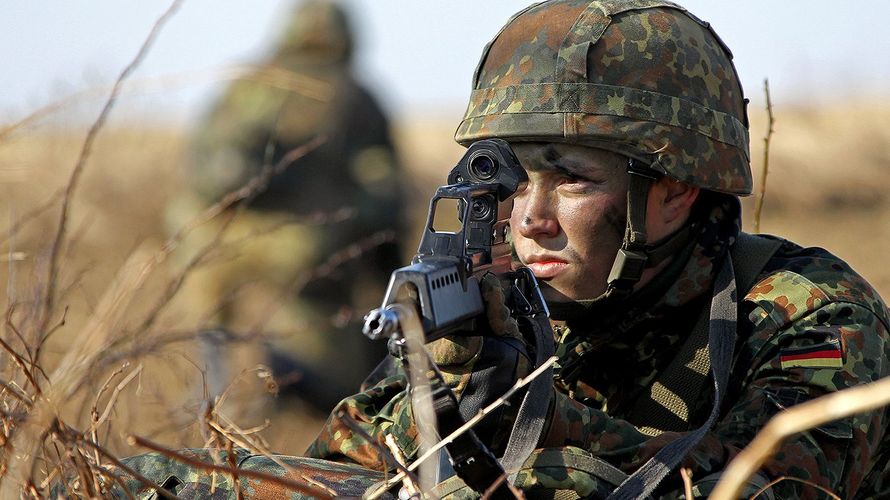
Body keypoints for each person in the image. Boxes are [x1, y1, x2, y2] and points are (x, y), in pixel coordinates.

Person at [305, 1, 890, 498]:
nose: (530, 219)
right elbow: (335, 468)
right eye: (513, 180)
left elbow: (768, 486)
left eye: (572, 180)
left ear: (678, 188)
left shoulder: (809, 315)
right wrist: (451, 399)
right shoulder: (489, 308)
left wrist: (542, 423)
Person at [167, 0, 402, 412]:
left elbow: (199, 157)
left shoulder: (246, 83)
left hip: (212, 244)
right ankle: (292, 388)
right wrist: (374, 243)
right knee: (333, 378)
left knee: (211, 332)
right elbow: (382, 188)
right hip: (306, 249)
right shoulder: (353, 93)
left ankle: (211, 397)